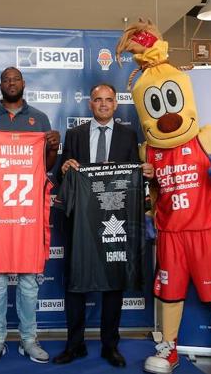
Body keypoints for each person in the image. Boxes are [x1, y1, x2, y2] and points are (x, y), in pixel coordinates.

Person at [53, 83, 153, 368]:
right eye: (99, 100)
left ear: (116, 105)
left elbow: (135, 183)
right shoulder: (74, 135)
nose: (104, 104)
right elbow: (63, 179)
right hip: (81, 221)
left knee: (114, 283)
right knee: (75, 284)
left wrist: (144, 173)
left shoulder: (128, 135)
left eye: (109, 100)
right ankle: (75, 346)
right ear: (90, 104)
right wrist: (63, 169)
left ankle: (111, 346)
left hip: (114, 220)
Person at [0, 67, 60, 364]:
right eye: (6, 80)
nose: (11, 84)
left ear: (23, 84)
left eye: (15, 79)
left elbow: (46, 167)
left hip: (28, 212)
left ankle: (28, 339)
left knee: (29, 280)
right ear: (0, 85)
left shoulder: (40, 120)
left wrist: (53, 148)